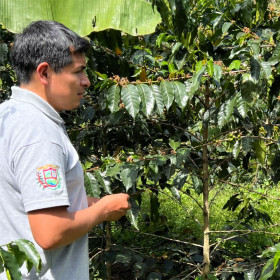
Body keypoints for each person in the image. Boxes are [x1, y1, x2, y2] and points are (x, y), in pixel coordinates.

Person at [0, 20, 131, 280]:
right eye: (78, 71)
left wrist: (85, 204)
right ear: (45, 73)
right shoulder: (39, 133)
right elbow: (50, 232)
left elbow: (20, 202)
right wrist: (103, 209)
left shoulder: (7, 116)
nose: (86, 82)